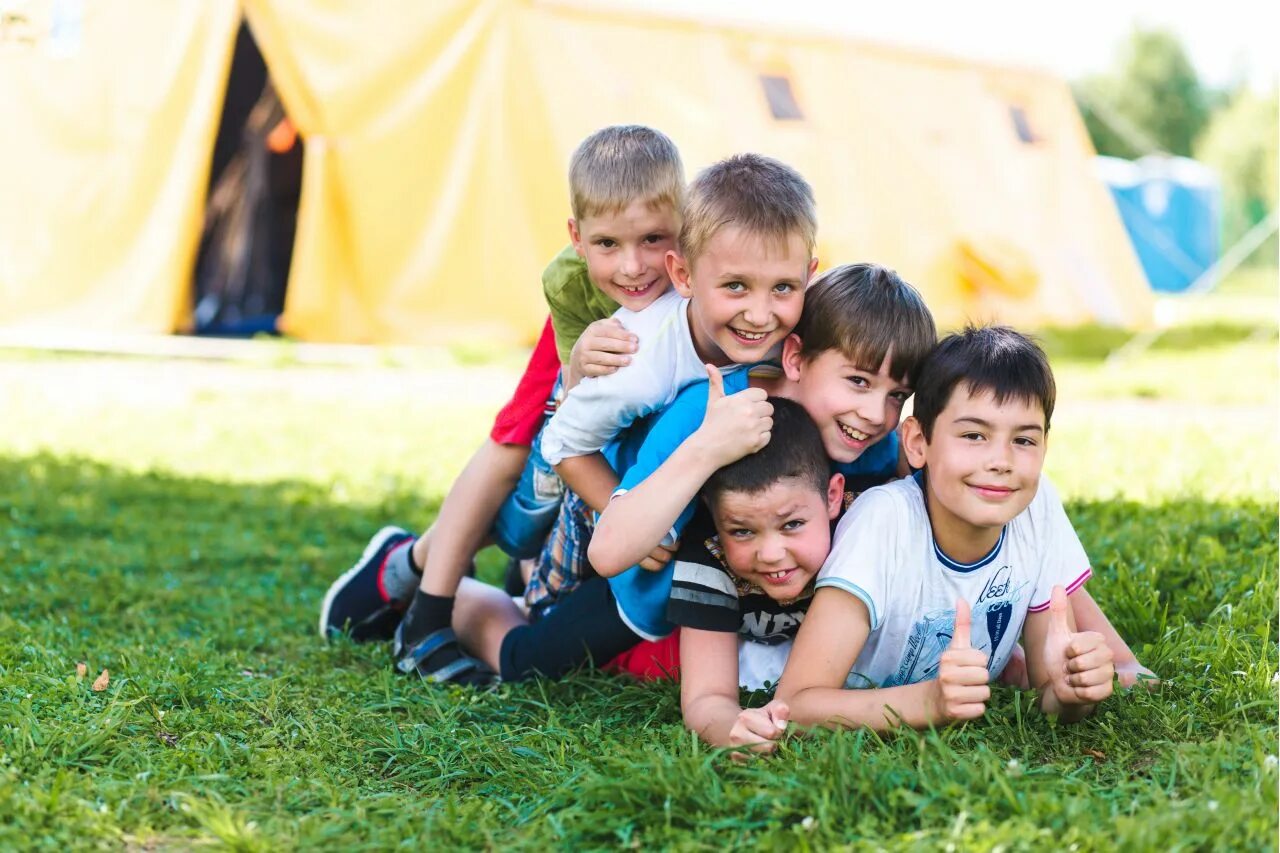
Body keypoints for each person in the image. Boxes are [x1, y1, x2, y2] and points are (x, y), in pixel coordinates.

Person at [423, 154, 828, 683]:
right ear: (682, 275)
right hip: (608, 507)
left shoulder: (797, 341)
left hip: (677, 520)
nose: (759, 313)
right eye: (735, 287)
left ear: (808, 278)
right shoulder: (638, 359)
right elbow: (563, 444)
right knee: (534, 652)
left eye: (782, 288)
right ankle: (455, 591)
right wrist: (640, 518)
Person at [318, 125, 685, 684]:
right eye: (609, 244)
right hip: (591, 351)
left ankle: (430, 565)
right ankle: (427, 606)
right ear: (579, 238)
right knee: (517, 456)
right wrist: (578, 362)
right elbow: (565, 410)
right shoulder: (572, 282)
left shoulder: (696, 271)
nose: (633, 266)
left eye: (654, 240)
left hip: (636, 400)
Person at [776, 326, 1135, 733]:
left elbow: (1047, 695)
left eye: (1024, 440)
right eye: (973, 435)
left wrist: (1071, 692)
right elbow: (795, 704)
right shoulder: (883, 523)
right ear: (917, 443)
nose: (1001, 461)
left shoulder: (1037, 508)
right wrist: (927, 703)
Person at [666, 397, 842, 752]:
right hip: (696, 638)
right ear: (714, 518)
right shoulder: (708, 555)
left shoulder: (862, 529)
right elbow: (705, 696)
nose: (772, 554)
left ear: (833, 497)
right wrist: (734, 727)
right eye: (743, 531)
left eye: (792, 524)